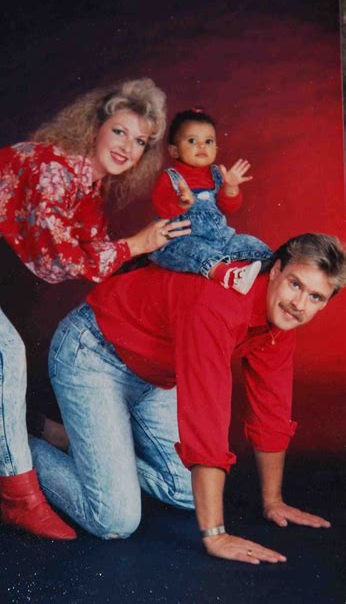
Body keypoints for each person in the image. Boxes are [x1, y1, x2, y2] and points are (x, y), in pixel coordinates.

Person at [0, 78, 190, 540]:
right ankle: (21, 495)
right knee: (3, 353)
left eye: (141, 141)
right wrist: (134, 243)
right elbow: (54, 264)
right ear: (95, 127)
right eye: (120, 131)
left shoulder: (87, 190)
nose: (128, 146)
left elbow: (101, 255)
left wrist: (167, 221)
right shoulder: (54, 166)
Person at [27, 233, 345, 562]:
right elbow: (205, 415)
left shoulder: (280, 321)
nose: (299, 304)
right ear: (276, 270)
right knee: (114, 519)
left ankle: (68, 438)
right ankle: (17, 449)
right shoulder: (220, 300)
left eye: (316, 297)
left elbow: (271, 410)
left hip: (155, 376)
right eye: (296, 284)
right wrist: (215, 536)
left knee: (187, 492)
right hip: (94, 354)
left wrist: (273, 501)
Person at [149, 108, 272, 293]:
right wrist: (180, 203)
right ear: (174, 150)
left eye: (208, 141)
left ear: (215, 149)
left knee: (251, 243)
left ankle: (272, 267)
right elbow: (162, 208)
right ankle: (226, 274)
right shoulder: (171, 177)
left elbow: (228, 207)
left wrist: (230, 187)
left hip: (221, 239)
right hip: (184, 239)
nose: (202, 146)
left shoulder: (217, 174)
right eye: (192, 141)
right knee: (195, 252)